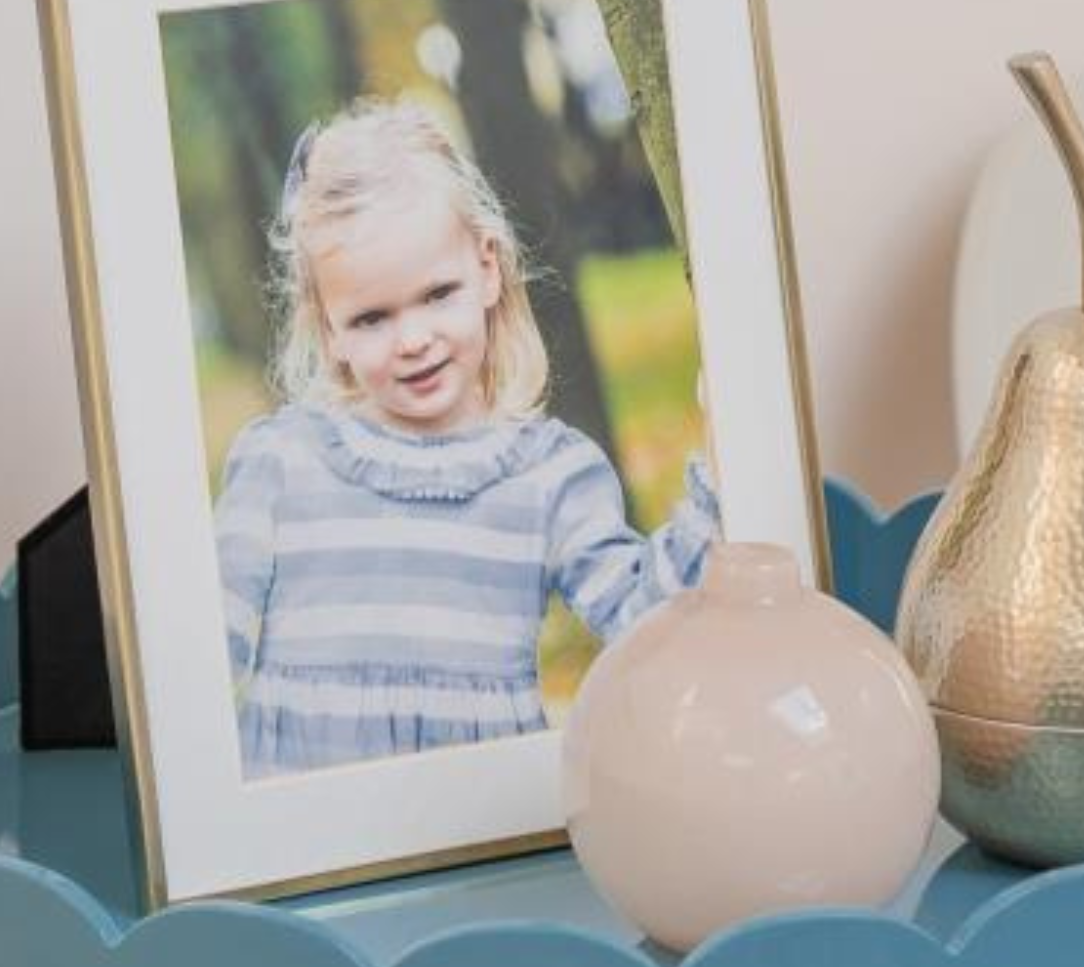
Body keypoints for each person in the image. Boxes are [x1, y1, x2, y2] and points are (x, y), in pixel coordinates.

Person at [214, 97, 718, 778]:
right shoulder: (280, 465)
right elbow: (202, 670)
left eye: (435, 295)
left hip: (471, 826)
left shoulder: (549, 476)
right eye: (370, 319)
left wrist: (721, 464)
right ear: (326, 325)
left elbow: (644, 623)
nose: (413, 339)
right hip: (299, 847)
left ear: (486, 266)